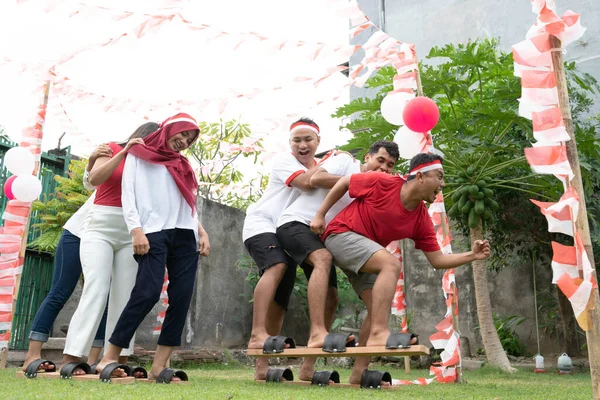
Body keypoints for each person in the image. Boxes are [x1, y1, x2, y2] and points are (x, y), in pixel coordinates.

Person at [310, 152, 490, 385]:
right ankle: (379, 333)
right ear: (421, 176)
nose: (443, 184)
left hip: (366, 254)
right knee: (390, 264)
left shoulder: (420, 219)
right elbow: (345, 182)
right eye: (440, 177)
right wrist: (320, 214)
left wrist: (472, 255)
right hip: (341, 235)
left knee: (377, 306)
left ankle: (355, 374)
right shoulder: (383, 181)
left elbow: (437, 260)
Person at [95, 113, 210, 383]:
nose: (184, 142)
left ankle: (159, 366)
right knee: (146, 292)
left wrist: (200, 231)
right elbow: (129, 193)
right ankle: (109, 357)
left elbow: (187, 202)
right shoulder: (138, 154)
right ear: (167, 130)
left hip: (184, 233)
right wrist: (136, 229)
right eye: (181, 134)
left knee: (181, 297)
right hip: (152, 231)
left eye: (190, 139)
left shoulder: (182, 164)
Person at [276, 140, 399, 381]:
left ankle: (349, 371)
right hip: (296, 223)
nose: (384, 168)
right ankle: (316, 334)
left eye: (390, 165)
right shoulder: (347, 162)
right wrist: (356, 183)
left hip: (331, 237)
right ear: (368, 157)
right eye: (380, 160)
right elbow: (315, 179)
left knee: (347, 298)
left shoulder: (376, 189)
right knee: (323, 259)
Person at [60, 122, 160, 376]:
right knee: (97, 287)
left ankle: (118, 359)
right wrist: (124, 151)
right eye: (153, 138)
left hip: (132, 231)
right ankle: (71, 356)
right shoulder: (112, 148)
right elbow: (94, 180)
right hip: (100, 226)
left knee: (125, 296)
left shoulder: (153, 164)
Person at [20, 143, 113, 376]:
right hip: (78, 233)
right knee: (61, 290)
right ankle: (32, 355)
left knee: (104, 296)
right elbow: (90, 182)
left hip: (111, 239)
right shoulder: (121, 161)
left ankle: (92, 361)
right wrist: (91, 161)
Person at [244, 118, 324, 380]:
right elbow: (305, 183)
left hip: (286, 231)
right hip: (261, 223)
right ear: (290, 144)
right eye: (296, 140)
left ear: (317, 141)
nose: (302, 145)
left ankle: (262, 367)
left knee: (282, 293)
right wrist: (334, 164)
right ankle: (257, 333)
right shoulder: (284, 162)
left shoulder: (321, 168)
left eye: (307, 140)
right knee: (277, 265)